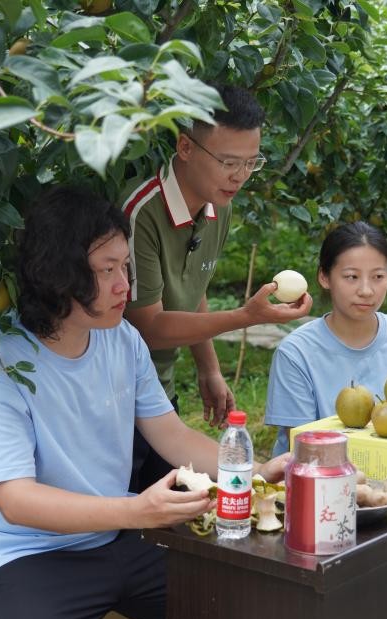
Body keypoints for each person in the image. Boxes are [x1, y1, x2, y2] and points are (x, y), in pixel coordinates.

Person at [0, 185, 289, 619]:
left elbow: (172, 435)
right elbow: (16, 501)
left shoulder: (122, 340)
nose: (124, 286)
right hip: (25, 555)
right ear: (56, 273)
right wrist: (138, 512)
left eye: (125, 266)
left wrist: (259, 472)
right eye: (106, 270)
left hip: (118, 538)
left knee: (237, 607)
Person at [119, 84, 311, 491]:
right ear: (185, 147)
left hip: (159, 392)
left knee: (171, 509)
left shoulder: (217, 205)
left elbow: (194, 286)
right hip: (117, 397)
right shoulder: (141, 213)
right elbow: (148, 327)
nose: (239, 176)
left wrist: (208, 368)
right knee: (130, 506)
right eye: (228, 162)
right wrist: (246, 317)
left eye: (251, 163)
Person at [264, 221, 387, 457]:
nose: (366, 290)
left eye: (378, 276)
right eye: (351, 277)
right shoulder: (296, 353)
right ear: (324, 277)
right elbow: (304, 450)